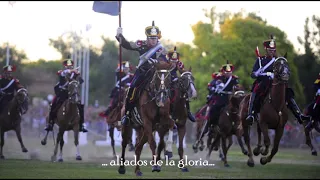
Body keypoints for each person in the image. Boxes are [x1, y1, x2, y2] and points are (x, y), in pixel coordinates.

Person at [246, 35, 312, 128]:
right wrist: (259, 73)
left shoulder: (278, 61)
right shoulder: (260, 60)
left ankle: (298, 115)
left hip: (275, 82)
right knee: (256, 91)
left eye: (273, 50)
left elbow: (284, 71)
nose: (272, 52)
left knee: (288, 92)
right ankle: (251, 114)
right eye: (270, 50)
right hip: (263, 82)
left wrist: (278, 75)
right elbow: (253, 74)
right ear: (266, 49)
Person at [115, 20, 168, 126]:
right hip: (142, 73)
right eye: (151, 38)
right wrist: (119, 35)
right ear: (147, 38)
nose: (153, 41)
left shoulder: (161, 49)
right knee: (132, 88)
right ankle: (127, 113)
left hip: (154, 74)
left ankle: (169, 115)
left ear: (158, 38)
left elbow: (164, 62)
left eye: (155, 38)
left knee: (168, 88)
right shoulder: (140, 44)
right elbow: (127, 45)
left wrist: (157, 62)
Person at [44, 59, 88, 132]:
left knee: (80, 106)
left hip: (71, 94)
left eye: (70, 66)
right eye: (68, 66)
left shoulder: (75, 74)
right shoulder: (62, 72)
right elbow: (62, 73)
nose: (69, 67)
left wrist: (77, 76)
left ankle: (82, 124)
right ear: (65, 66)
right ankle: (50, 123)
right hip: (62, 94)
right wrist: (71, 71)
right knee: (53, 104)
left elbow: (81, 81)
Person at [208, 61, 239, 133]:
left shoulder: (234, 79)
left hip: (231, 97)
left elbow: (236, 86)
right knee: (214, 108)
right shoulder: (220, 78)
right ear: (223, 72)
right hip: (222, 97)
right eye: (226, 72)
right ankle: (213, 124)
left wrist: (237, 88)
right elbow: (218, 87)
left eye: (230, 72)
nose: (228, 73)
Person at [167, 46, 195, 122]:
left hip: (175, 80)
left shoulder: (179, 63)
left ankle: (188, 111)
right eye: (173, 59)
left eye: (175, 59)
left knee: (184, 92)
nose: (174, 61)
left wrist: (181, 69)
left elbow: (181, 72)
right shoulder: (165, 62)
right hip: (166, 80)